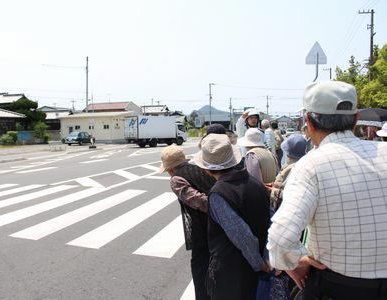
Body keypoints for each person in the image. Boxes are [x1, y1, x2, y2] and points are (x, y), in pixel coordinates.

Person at [267, 81, 387, 299]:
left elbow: (280, 238)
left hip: (339, 287)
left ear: (308, 122)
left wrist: (295, 263)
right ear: (356, 119)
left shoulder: (311, 165)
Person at [193, 134, 271, 299]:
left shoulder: (219, 193)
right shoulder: (256, 183)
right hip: (258, 264)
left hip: (234, 272)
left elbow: (242, 236)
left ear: (207, 168)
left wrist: (260, 264)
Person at [160, 145, 215, 300]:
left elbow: (201, 202)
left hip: (202, 229)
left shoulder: (177, 180)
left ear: (170, 169)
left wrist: (220, 207)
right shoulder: (199, 168)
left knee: (201, 271)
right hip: (220, 226)